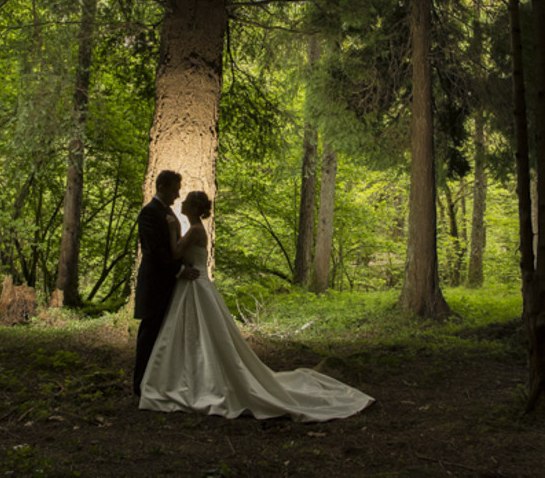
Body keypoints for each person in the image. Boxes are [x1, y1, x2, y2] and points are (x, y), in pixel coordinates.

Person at [138, 190, 373, 422]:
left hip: (195, 287)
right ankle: (192, 377)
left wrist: (171, 230)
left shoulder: (196, 230)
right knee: (196, 336)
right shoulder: (195, 229)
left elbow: (176, 251)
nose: (182, 202)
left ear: (195, 208)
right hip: (193, 286)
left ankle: (199, 380)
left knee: (200, 336)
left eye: (187, 201)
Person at [132, 170, 199, 396]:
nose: (178, 195)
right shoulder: (149, 213)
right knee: (149, 334)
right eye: (174, 189)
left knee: (163, 336)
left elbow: (174, 248)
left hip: (168, 285)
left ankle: (157, 382)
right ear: (161, 187)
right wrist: (180, 270)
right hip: (154, 285)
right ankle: (140, 385)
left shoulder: (167, 212)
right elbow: (154, 252)